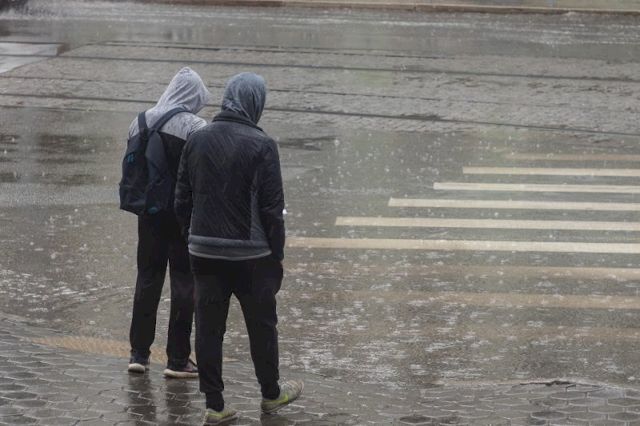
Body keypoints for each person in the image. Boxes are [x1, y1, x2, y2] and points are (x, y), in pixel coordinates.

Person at [175, 72, 303, 424]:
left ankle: (215, 405)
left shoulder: (197, 139)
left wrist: (192, 237)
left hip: (204, 252)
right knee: (262, 326)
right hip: (252, 256)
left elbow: (182, 198)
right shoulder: (262, 145)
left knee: (208, 328)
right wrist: (276, 254)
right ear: (255, 103)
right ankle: (271, 394)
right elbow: (272, 209)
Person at [126, 67, 211, 379]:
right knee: (183, 283)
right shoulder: (195, 126)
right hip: (182, 216)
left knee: (147, 279)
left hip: (148, 213)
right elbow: (201, 174)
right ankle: (177, 359)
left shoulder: (140, 120)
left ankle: (138, 354)